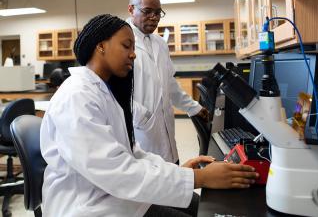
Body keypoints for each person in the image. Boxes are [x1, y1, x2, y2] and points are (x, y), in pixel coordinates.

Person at [40, 14, 258, 217]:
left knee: (195, 205)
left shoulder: (103, 91)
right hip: (89, 206)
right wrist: (200, 178)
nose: (133, 54)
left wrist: (177, 171)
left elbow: (132, 153)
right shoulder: (77, 96)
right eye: (127, 46)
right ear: (101, 46)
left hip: (115, 195)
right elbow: (116, 172)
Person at [127, 0, 209, 163]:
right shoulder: (123, 43)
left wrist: (193, 107)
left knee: (172, 172)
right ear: (131, 9)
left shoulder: (160, 44)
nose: (154, 17)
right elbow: (116, 92)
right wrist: (144, 117)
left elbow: (169, 85)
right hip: (141, 138)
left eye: (158, 12)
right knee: (152, 182)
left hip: (167, 137)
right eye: (147, 11)